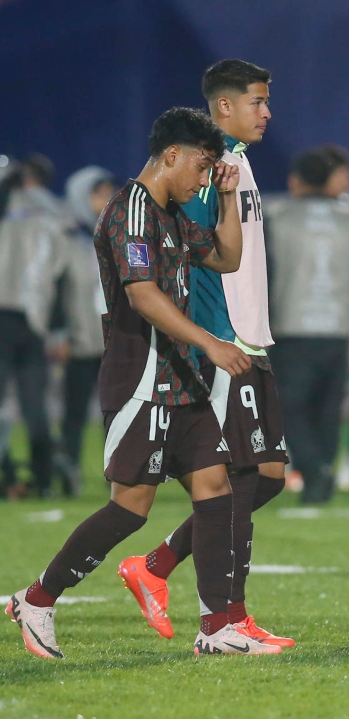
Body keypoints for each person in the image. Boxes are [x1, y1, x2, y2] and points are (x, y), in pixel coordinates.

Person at [5, 106, 279, 658]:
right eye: (202, 167)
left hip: (183, 378)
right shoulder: (130, 209)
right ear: (172, 155)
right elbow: (142, 295)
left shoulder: (174, 214)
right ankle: (36, 599)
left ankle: (216, 629)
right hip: (141, 380)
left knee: (216, 489)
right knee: (130, 507)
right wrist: (211, 343)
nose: (203, 179)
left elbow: (227, 258)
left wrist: (227, 198)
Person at [118, 60, 293, 648]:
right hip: (224, 340)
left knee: (267, 477)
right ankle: (225, 620)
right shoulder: (205, 169)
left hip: (250, 337)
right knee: (238, 479)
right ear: (223, 106)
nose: (266, 113)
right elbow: (190, 255)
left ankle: (156, 567)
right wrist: (208, 341)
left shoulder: (236, 164)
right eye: (257, 102)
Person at [267, 147, 349, 503]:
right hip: (338, 326)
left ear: (296, 180)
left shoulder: (277, 217)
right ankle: (323, 469)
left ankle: (314, 471)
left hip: (291, 326)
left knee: (290, 406)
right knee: (328, 407)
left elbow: (263, 274)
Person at [0, 156, 67, 498]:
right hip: (26, 319)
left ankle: (33, 480)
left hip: (25, 321)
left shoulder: (40, 211)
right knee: (30, 409)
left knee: (35, 410)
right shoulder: (41, 211)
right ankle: (34, 481)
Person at [56, 166, 116, 495]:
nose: (106, 199)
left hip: (115, 342)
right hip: (79, 339)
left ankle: (119, 477)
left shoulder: (119, 234)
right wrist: (59, 333)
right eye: (98, 193)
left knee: (116, 413)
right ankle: (68, 473)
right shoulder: (65, 238)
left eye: (108, 192)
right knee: (74, 412)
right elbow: (56, 290)